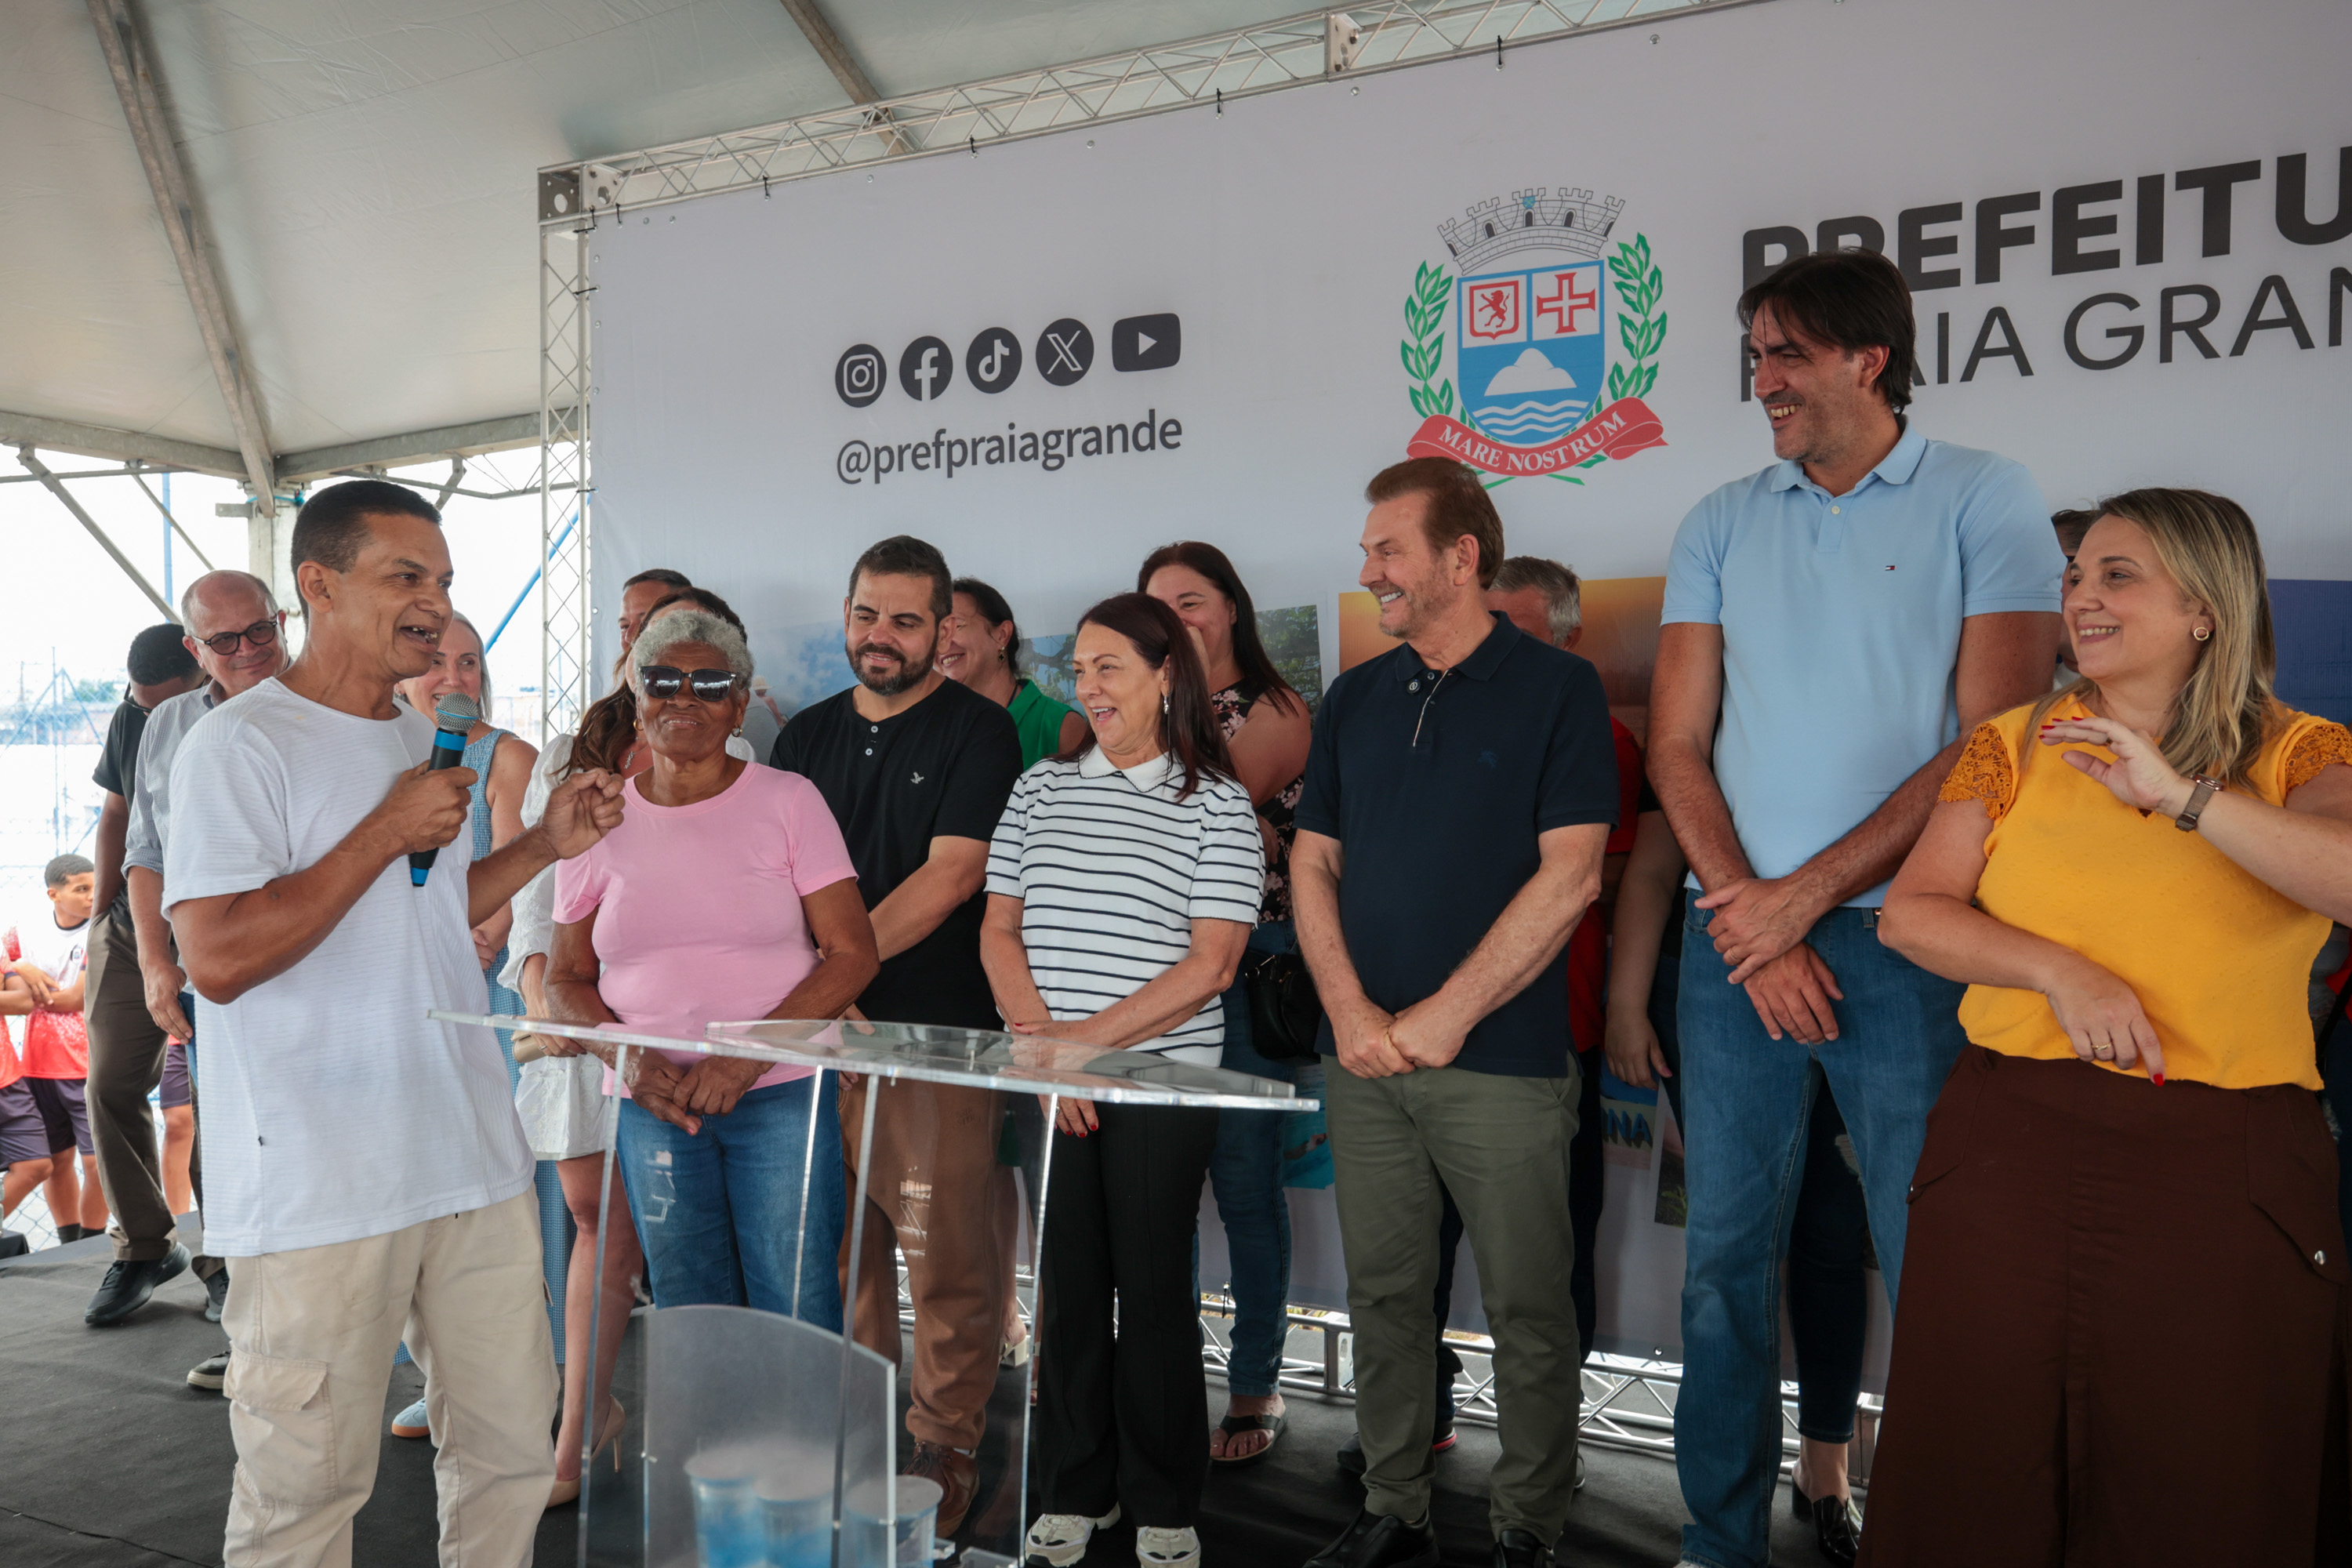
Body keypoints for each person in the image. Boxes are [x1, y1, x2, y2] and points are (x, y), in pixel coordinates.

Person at [1646, 249, 2063, 1568]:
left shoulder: (1986, 494)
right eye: (1755, 356)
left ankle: (1943, 1536)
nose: (1761, 380)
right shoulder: (1719, 518)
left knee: (1929, 1255)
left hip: (1910, 938)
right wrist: (1749, 918)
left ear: (1868, 359)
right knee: (1721, 1264)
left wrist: (1804, 900)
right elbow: (1674, 746)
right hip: (1731, 947)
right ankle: (1717, 1544)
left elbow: (1993, 740)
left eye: (1785, 354)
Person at [1862, 488, 2352, 1563]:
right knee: (1978, 1469)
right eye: (2076, 575)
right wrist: (2061, 972)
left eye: (2117, 575)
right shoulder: (2012, 743)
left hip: (2220, 1167)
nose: (2081, 595)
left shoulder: (2303, 752)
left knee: (2204, 1474)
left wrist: (2183, 797)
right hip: (2010, 1152)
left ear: (2206, 608)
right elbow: (1912, 914)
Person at [165, 479, 624, 1567]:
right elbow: (217, 958)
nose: (435, 603)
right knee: (304, 1494)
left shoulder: (425, 739)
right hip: (320, 1181)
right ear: (317, 586)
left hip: (468, 1155)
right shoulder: (240, 746)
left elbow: (426, 911)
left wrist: (543, 845)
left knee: (511, 1455)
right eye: (405, 576)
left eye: (445, 580)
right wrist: (383, 829)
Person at [1293, 458, 1619, 1568]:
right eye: (1367, 551)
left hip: (1503, 1062)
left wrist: (1444, 1014)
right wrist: (1348, 1008)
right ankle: (1394, 1506)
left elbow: (1573, 876)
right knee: (1385, 1295)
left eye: (1388, 550)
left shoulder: (1559, 689)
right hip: (1364, 1058)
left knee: (1530, 1309)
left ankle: (1528, 1529)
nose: (1369, 571)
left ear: (1461, 556)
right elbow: (1313, 861)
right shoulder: (1354, 697)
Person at [982, 592, 1263, 1568]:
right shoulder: (1040, 789)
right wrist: (1044, 1051)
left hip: (1159, 1085)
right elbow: (999, 930)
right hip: (1053, 1077)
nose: (1089, 687)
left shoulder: (1218, 803)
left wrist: (1080, 1051)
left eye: (1110, 666)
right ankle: (1076, 1486)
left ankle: (1163, 1499)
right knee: (1067, 1288)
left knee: (1151, 1293)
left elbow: (1212, 965)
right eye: (1079, 669)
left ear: (1166, 673)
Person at [771, 537, 1025, 1537]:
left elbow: (954, 874)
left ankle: (945, 1443)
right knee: (843, 1256)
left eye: (906, 620)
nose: (882, 636)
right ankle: (864, 1433)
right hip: (819, 1036)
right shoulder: (804, 737)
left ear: (944, 629)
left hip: (934, 1036)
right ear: (847, 613)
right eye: (867, 614)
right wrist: (823, 991)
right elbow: (772, 882)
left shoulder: (980, 730)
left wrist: (839, 972)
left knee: (946, 1252)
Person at [546, 608, 877, 1334]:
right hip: (654, 1099)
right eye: (663, 680)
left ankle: (800, 1421)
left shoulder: (789, 800)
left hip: (781, 1092)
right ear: (638, 698)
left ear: (739, 704)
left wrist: (744, 1059)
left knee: (795, 1304)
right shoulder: (598, 819)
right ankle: (709, 1420)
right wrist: (628, 1060)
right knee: (689, 1306)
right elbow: (563, 980)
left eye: (709, 683)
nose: (684, 697)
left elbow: (854, 954)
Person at [1602, 779, 1874, 1566]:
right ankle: (1721, 1534)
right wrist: (1626, 1004)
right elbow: (1654, 869)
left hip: (1857, 977)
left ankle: (1826, 1467)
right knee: (1729, 1253)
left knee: (1832, 1232)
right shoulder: (1696, 728)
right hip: (1716, 983)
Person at [503, 579, 727, 1507]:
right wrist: (539, 988)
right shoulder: (570, 749)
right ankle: (589, 1415)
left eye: (665, 631)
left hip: (679, 1037)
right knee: (595, 1215)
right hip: (579, 1023)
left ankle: (644, 1434)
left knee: (656, 1233)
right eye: (633, 629)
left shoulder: (738, 756)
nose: (644, 643)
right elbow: (534, 890)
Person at [1138, 541, 1312, 1468]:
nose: (1175, 618)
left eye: (1191, 600)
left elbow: (1191, 818)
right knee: (1159, 1192)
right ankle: (1163, 1375)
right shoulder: (1137, 710)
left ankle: (1256, 1383)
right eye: (1156, 605)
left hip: (1246, 971)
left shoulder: (1274, 708)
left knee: (1244, 1186)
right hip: (1143, 976)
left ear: (1232, 607)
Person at [93, 571, 291, 1390]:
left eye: (260, 631)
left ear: (285, 620)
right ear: (194, 647)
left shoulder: (324, 706)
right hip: (178, 950)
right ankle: (226, 1307)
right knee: (178, 1115)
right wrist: (151, 958)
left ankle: (261, 1311)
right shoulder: (168, 720)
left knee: (258, 1135)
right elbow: (143, 847)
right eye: (224, 639)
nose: (247, 650)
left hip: (282, 955)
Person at [384, 611, 566, 1446]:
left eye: (468, 662)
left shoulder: (508, 756)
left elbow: (518, 884)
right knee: (425, 1193)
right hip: (400, 1005)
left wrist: (470, 935)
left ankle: (542, 1381)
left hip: (485, 1001)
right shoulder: (380, 753)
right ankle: (444, 1379)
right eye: (436, 661)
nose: (453, 677)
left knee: (513, 1194)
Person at [934, 575, 1081, 1376]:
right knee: (982, 1164)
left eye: (959, 623)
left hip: (1037, 978)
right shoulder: (936, 720)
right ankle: (1003, 1320)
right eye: (938, 625)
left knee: (1044, 1167)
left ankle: (1057, 1338)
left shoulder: (1059, 725)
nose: (946, 639)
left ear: (1003, 633)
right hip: (956, 974)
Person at [1, 855, 100, 1240]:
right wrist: (21, 967)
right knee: (56, 1163)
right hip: (37, 1067)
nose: (92, 896)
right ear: (53, 894)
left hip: (88, 1065)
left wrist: (23, 994)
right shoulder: (24, 929)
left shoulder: (101, 930)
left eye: (95, 887)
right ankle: (68, 1243)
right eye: (82, 889)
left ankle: (91, 1244)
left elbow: (76, 998)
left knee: (97, 1165)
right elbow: (7, 962)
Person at [938, 575, 1087, 763]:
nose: (941, 643)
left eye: (955, 626)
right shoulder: (935, 730)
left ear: (1002, 635)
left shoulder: (1061, 726)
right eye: (936, 633)